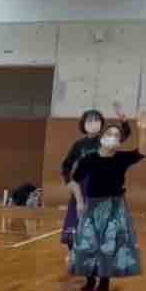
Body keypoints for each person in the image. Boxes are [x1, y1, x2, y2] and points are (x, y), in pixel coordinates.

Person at [69, 112, 146, 291]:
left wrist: (142, 130)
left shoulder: (121, 158)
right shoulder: (89, 159)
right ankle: (90, 279)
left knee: (108, 245)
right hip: (92, 206)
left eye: (116, 135)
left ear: (119, 141)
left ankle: (104, 281)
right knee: (86, 244)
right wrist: (79, 201)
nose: (112, 137)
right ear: (102, 137)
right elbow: (74, 180)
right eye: (109, 133)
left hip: (114, 207)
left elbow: (142, 152)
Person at [60, 105, 131, 249]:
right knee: (75, 223)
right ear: (83, 124)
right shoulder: (78, 145)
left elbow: (124, 135)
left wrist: (123, 120)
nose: (93, 123)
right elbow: (66, 165)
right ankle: (73, 252)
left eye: (96, 120)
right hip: (82, 188)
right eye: (90, 120)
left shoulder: (105, 141)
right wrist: (69, 182)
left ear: (101, 123)